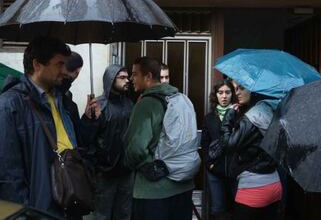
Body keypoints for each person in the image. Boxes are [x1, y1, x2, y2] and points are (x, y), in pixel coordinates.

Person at [0, 36, 78, 216]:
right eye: (59, 64)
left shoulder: (60, 99)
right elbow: (8, 175)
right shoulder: (9, 106)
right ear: (37, 65)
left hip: (67, 201)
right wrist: (24, 213)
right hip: (39, 210)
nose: (65, 71)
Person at [124, 57, 195, 220]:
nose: (131, 79)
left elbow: (135, 149)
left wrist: (133, 163)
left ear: (148, 77)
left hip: (153, 192)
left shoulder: (146, 104)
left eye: (135, 74)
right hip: (183, 185)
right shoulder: (182, 99)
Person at [209, 80, 283, 220]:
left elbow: (229, 145)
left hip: (254, 186)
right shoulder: (270, 109)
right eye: (236, 89)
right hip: (274, 182)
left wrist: (228, 118)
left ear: (254, 91)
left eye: (242, 88)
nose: (237, 93)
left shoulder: (252, 117)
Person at [82, 64, 134, 220]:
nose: (127, 81)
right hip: (104, 172)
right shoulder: (98, 105)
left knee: (124, 214)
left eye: (128, 77)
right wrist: (95, 164)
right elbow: (86, 138)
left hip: (126, 170)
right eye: (122, 77)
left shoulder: (130, 104)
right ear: (111, 79)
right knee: (101, 215)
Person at [201, 79, 236, 219]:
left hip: (234, 169)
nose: (224, 96)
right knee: (217, 209)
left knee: (236, 206)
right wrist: (209, 163)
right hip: (215, 169)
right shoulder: (209, 118)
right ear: (215, 95)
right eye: (220, 92)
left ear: (232, 94)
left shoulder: (239, 115)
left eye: (227, 92)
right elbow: (204, 143)